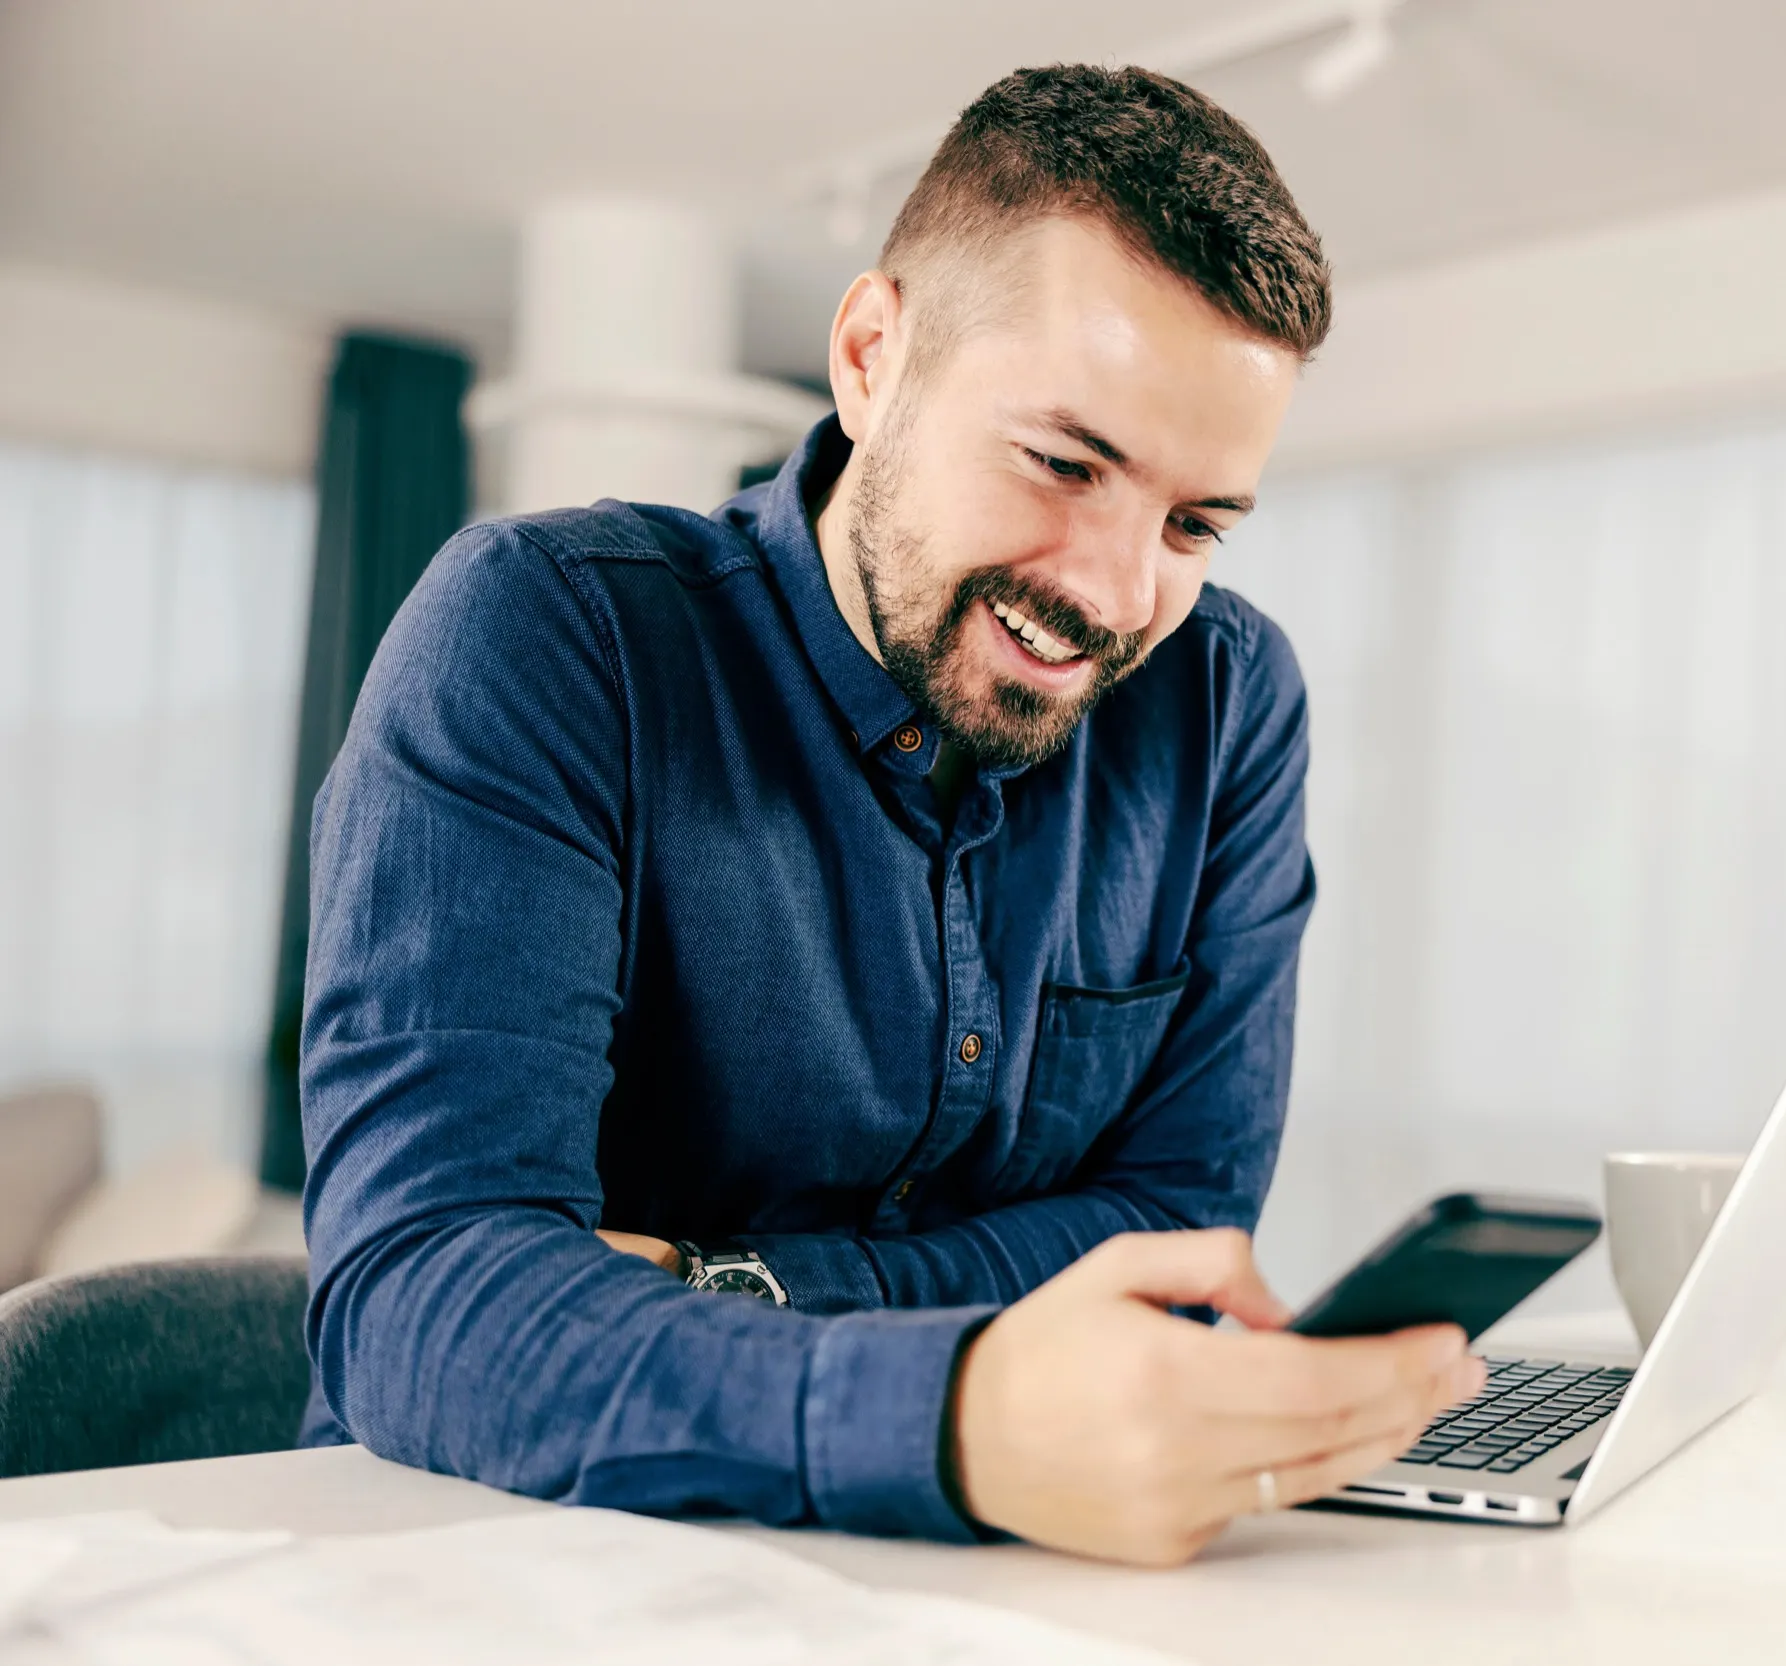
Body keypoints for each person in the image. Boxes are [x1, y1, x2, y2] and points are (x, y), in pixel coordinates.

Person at [295, 64, 1483, 1567]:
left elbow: (1177, 1222)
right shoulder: (544, 634)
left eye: (1194, 525)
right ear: (871, 357)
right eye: (1064, 462)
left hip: (984, 1577)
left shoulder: (1230, 703)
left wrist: (724, 1285)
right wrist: (959, 1409)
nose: (1118, 597)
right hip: (489, 1562)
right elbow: (424, 1292)